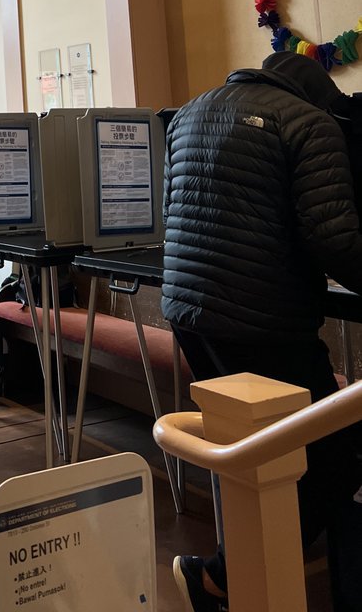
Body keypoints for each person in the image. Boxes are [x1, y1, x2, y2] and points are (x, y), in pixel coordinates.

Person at [161, 51, 362, 612]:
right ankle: (221, 579)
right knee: (331, 459)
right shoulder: (310, 123)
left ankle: (234, 582)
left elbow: (174, 209)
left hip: (189, 309)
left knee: (249, 452)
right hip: (262, 319)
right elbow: (333, 237)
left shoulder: (190, 111)